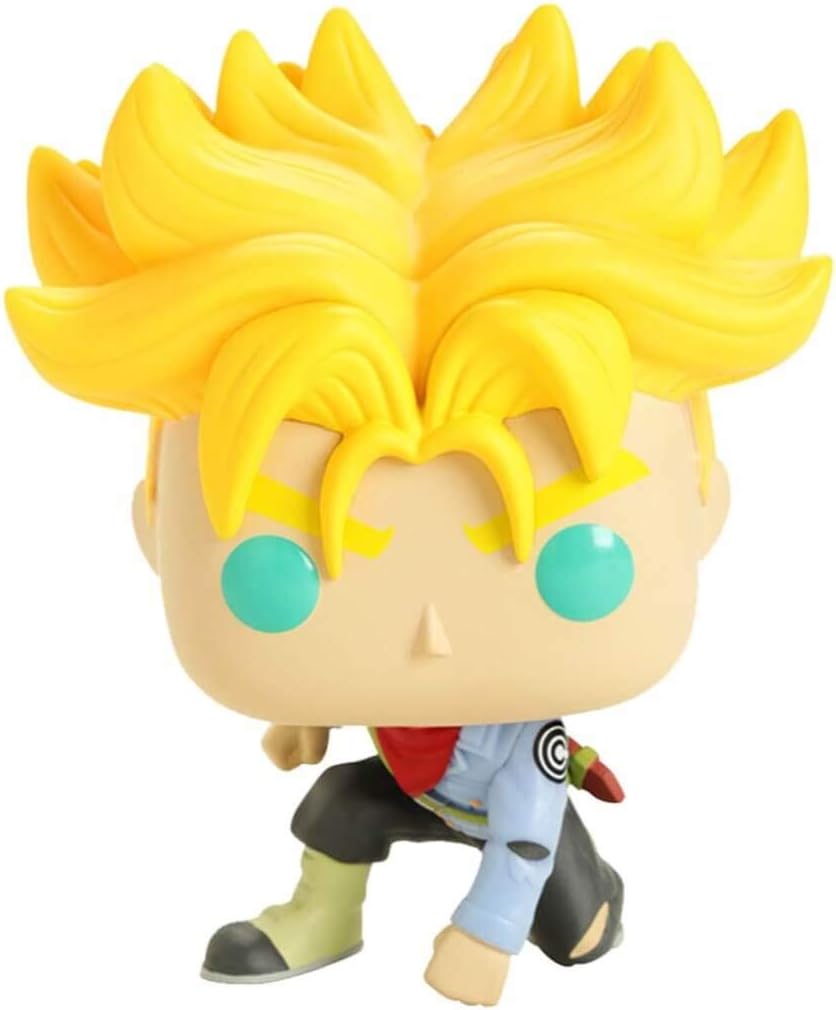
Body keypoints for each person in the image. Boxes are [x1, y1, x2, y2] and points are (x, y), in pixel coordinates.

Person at [5, 6, 829, 1005]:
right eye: (277, 574)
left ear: (703, 496)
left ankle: (595, 904)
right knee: (339, 806)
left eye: (577, 557)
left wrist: (484, 938)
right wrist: (308, 711)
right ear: (154, 521)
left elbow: (523, 835)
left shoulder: (536, 754)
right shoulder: (379, 682)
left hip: (507, 802)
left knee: (572, 926)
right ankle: (323, 914)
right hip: (409, 775)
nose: (432, 635)